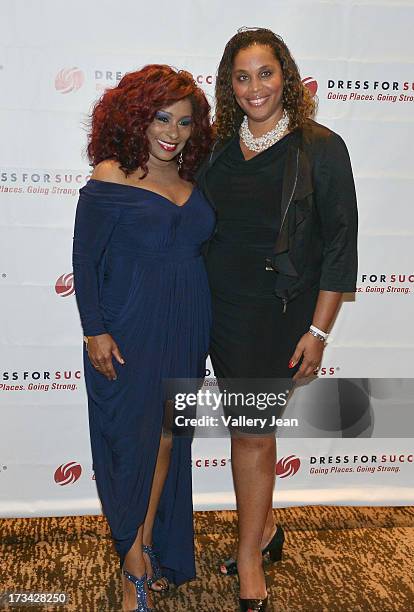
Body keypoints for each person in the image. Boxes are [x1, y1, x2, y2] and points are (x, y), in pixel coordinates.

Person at [197, 28, 358, 611]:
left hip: (278, 318)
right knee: (248, 432)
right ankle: (263, 533)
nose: (255, 87)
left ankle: (248, 559)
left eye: (266, 73)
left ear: (285, 77)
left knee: (252, 433)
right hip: (217, 312)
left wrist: (318, 331)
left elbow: (341, 245)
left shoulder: (319, 147)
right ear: (229, 85)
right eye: (243, 77)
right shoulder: (216, 149)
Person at [72, 64, 214, 612]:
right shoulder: (112, 174)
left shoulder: (193, 181)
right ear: (136, 116)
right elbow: (85, 260)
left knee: (167, 440)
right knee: (131, 443)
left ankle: (146, 542)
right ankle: (133, 561)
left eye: (183, 122)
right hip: (129, 327)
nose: (171, 132)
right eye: (161, 117)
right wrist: (94, 330)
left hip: (189, 324)